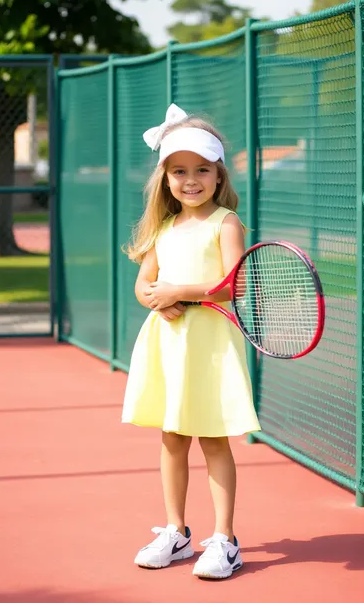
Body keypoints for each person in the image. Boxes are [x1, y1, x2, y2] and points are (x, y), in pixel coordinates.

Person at [122, 103, 261, 580]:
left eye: (202, 169)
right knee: (173, 437)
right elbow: (144, 285)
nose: (191, 179)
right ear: (165, 179)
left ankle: (225, 540)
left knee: (215, 438)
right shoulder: (162, 228)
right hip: (169, 342)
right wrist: (156, 300)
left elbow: (233, 283)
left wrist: (181, 292)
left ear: (219, 176)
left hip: (210, 343)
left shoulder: (225, 222)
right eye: (179, 171)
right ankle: (176, 532)